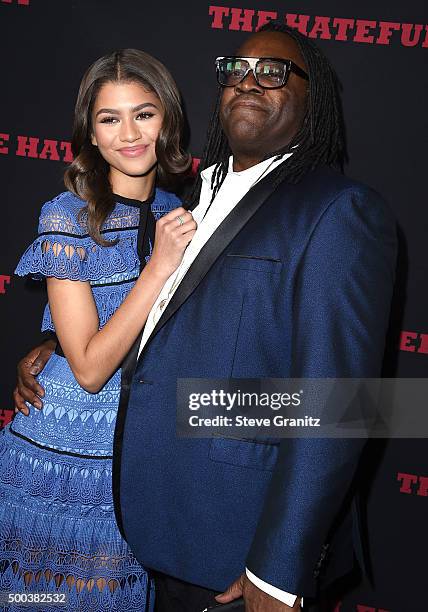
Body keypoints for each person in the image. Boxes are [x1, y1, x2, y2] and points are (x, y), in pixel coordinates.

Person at [14, 22, 397, 612]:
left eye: (272, 72)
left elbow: (343, 402)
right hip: (139, 505)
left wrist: (279, 566)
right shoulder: (197, 196)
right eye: (236, 70)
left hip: (226, 534)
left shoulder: (337, 210)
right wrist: (54, 344)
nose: (248, 82)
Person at [2, 48, 196, 610]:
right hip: (54, 460)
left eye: (145, 113)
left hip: (137, 464)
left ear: (169, 120)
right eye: (109, 118)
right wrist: (159, 267)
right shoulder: (68, 215)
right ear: (90, 131)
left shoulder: (183, 216)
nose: (129, 134)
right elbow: (87, 368)